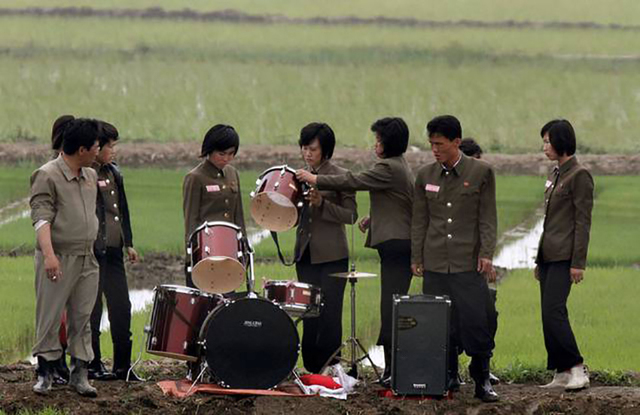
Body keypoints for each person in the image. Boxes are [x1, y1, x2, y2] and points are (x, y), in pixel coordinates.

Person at [296, 117, 414, 384]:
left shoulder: (387, 167)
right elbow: (401, 202)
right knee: (387, 307)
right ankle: (386, 370)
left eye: (378, 140)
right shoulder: (398, 166)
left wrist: (317, 183)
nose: (375, 145)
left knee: (389, 308)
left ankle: (391, 371)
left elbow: (354, 183)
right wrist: (374, 219)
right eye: (304, 148)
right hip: (313, 254)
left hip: (388, 246)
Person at [411, 115, 499, 402]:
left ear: (456, 142)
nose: (434, 149)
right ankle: (446, 376)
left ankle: (482, 378)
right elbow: (419, 220)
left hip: (467, 262)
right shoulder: (425, 175)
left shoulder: (481, 172)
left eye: (440, 144)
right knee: (439, 324)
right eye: (431, 144)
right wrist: (417, 257)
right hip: (436, 261)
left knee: (476, 321)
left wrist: (486, 253)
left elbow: (487, 218)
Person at [30, 118, 101, 397]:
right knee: (49, 316)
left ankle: (79, 374)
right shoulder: (47, 175)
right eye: (95, 146)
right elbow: (41, 219)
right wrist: (49, 256)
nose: (99, 150)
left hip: (87, 257)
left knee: (83, 316)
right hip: (57, 256)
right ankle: (45, 373)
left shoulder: (91, 175)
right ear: (81, 149)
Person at [293, 122, 357, 374]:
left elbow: (351, 216)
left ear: (325, 150)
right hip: (305, 254)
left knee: (330, 313)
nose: (307, 154)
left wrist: (322, 204)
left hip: (332, 255)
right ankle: (310, 367)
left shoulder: (342, 176)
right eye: (304, 148)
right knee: (308, 312)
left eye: (313, 149)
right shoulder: (298, 177)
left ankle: (332, 365)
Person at [535, 119, 593, 390]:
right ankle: (560, 371)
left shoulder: (579, 175)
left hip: (564, 255)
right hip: (548, 254)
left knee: (554, 311)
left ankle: (577, 367)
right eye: (544, 141)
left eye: (548, 141)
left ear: (562, 141)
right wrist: (539, 259)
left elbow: (582, 223)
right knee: (547, 314)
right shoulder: (556, 173)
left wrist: (578, 263)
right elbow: (549, 221)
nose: (545, 146)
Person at [87, 121, 141, 381]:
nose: (113, 151)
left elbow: (123, 211)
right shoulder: (87, 174)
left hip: (114, 251)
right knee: (93, 310)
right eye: (110, 146)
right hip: (94, 252)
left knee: (121, 307)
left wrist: (128, 242)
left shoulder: (113, 173)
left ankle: (123, 367)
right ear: (95, 148)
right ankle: (93, 364)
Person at [182, 124, 247, 288]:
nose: (226, 158)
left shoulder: (232, 173)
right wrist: (193, 257)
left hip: (229, 253)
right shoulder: (195, 177)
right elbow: (191, 220)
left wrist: (243, 248)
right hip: (206, 253)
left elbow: (238, 214)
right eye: (222, 153)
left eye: (231, 154)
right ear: (209, 150)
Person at [459, 137, 500, 385]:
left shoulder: (480, 186)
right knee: (452, 319)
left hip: (475, 264)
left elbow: (487, 223)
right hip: (453, 264)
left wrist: (487, 257)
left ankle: (480, 365)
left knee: (488, 314)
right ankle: (450, 369)